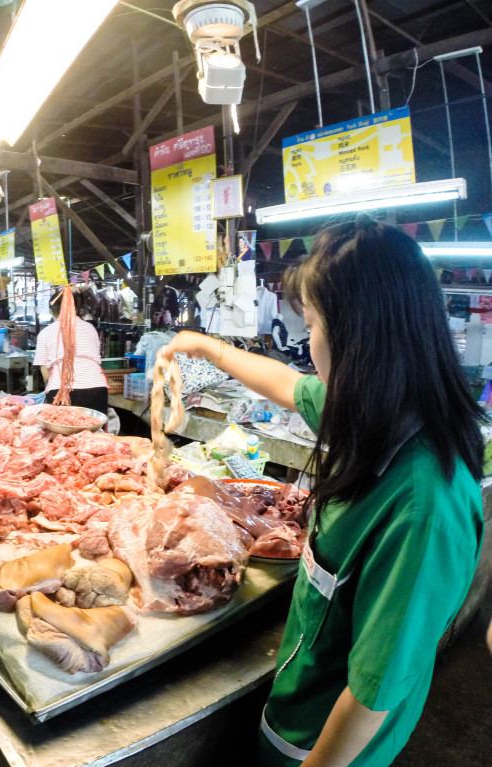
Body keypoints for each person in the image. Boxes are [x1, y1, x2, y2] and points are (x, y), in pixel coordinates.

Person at [160, 216, 485, 767]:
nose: (306, 344)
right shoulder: (371, 414)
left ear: (360, 339)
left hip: (325, 745)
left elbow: (373, 694)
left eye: (310, 325)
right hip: (297, 701)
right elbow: (286, 385)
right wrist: (207, 348)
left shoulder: (424, 505)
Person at [32, 289, 109, 414]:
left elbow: (45, 372)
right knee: (94, 431)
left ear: (52, 311)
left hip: (62, 391)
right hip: (96, 388)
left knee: (62, 432)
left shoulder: (45, 333)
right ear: (76, 308)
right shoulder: (90, 328)